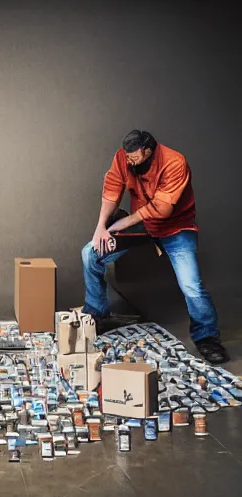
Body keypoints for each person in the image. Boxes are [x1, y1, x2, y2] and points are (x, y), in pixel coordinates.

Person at [81, 130, 228, 364]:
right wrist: (101, 227)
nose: (129, 161)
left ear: (148, 151)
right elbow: (111, 189)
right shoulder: (123, 157)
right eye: (127, 157)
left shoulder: (175, 162)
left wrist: (124, 222)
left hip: (175, 228)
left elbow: (163, 208)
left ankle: (207, 337)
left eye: (134, 158)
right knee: (91, 253)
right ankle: (96, 315)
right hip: (144, 224)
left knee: (191, 286)